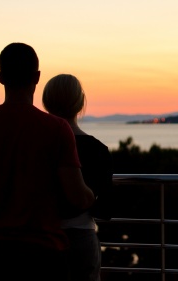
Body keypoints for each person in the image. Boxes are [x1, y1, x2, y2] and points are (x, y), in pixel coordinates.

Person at [0, 43, 95, 281]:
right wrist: (94, 195)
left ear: (0, 77)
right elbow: (77, 197)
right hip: (44, 253)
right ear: (37, 77)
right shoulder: (56, 129)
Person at [42, 74, 114, 281]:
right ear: (80, 103)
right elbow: (106, 209)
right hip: (82, 238)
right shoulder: (98, 150)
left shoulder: (37, 147)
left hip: (42, 239)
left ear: (47, 103)